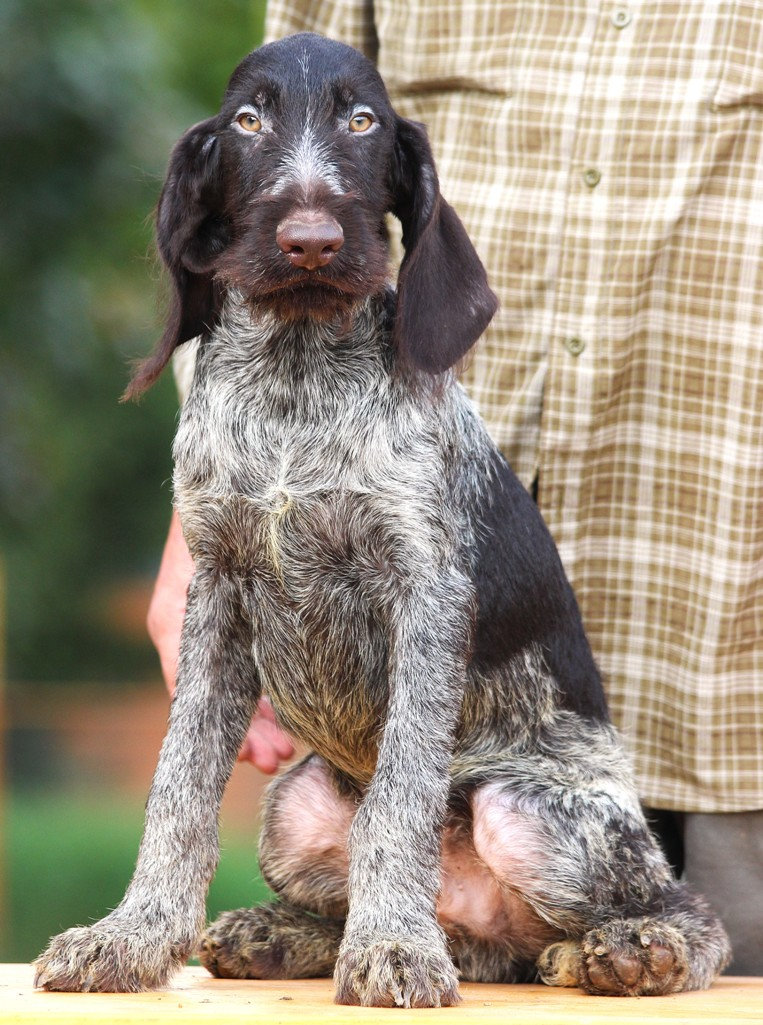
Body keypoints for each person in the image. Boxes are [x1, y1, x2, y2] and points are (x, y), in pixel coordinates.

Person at [148, 1, 763, 973]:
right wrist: (199, 534)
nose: (309, 200)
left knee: (698, 947)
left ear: (397, 169)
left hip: (719, 578)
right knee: (297, 824)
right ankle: (352, 923)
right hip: (362, 420)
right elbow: (292, 64)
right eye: (257, 126)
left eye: (358, 125)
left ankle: (662, 934)